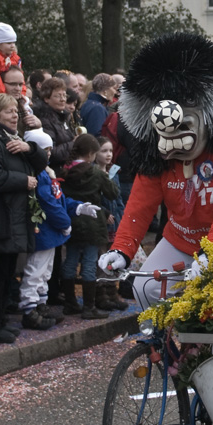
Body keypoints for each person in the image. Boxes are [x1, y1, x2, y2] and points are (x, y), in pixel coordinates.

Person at [97, 33, 213, 311]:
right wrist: (121, 249)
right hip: (181, 240)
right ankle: (164, 346)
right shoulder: (155, 152)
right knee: (144, 288)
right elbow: (140, 203)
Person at [0, 93, 46, 343]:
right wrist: (22, 181)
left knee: (5, 275)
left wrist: (30, 148)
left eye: (16, 110)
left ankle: (0, 320)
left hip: (14, 218)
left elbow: (41, 163)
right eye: (8, 111)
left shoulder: (13, 139)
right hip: (0, 218)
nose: (15, 115)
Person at [20, 129, 96, 327]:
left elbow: (58, 199)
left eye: (49, 149)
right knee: (35, 271)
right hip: (43, 232)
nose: (48, 153)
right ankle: (30, 309)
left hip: (50, 233)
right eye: (43, 150)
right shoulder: (39, 174)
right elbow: (49, 203)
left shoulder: (46, 173)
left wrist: (78, 207)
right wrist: (65, 223)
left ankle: (41, 305)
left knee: (45, 272)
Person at [61, 134, 119, 319]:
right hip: (93, 221)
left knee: (70, 261)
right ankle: (89, 307)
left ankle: (70, 303)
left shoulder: (66, 171)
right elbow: (113, 193)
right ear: (92, 154)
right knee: (88, 263)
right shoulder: (96, 173)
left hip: (71, 220)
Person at [94, 137, 128, 312]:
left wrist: (121, 219)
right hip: (100, 225)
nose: (108, 155)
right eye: (104, 151)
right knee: (101, 258)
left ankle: (112, 292)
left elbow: (119, 200)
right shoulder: (93, 173)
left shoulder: (113, 173)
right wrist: (103, 213)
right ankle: (101, 294)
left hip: (115, 224)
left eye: (110, 151)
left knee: (113, 258)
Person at [32, 77, 77, 172]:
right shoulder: (44, 120)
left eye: (64, 95)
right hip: (55, 170)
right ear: (46, 99)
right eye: (58, 96)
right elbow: (51, 153)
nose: (62, 99)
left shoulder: (63, 117)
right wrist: (74, 143)